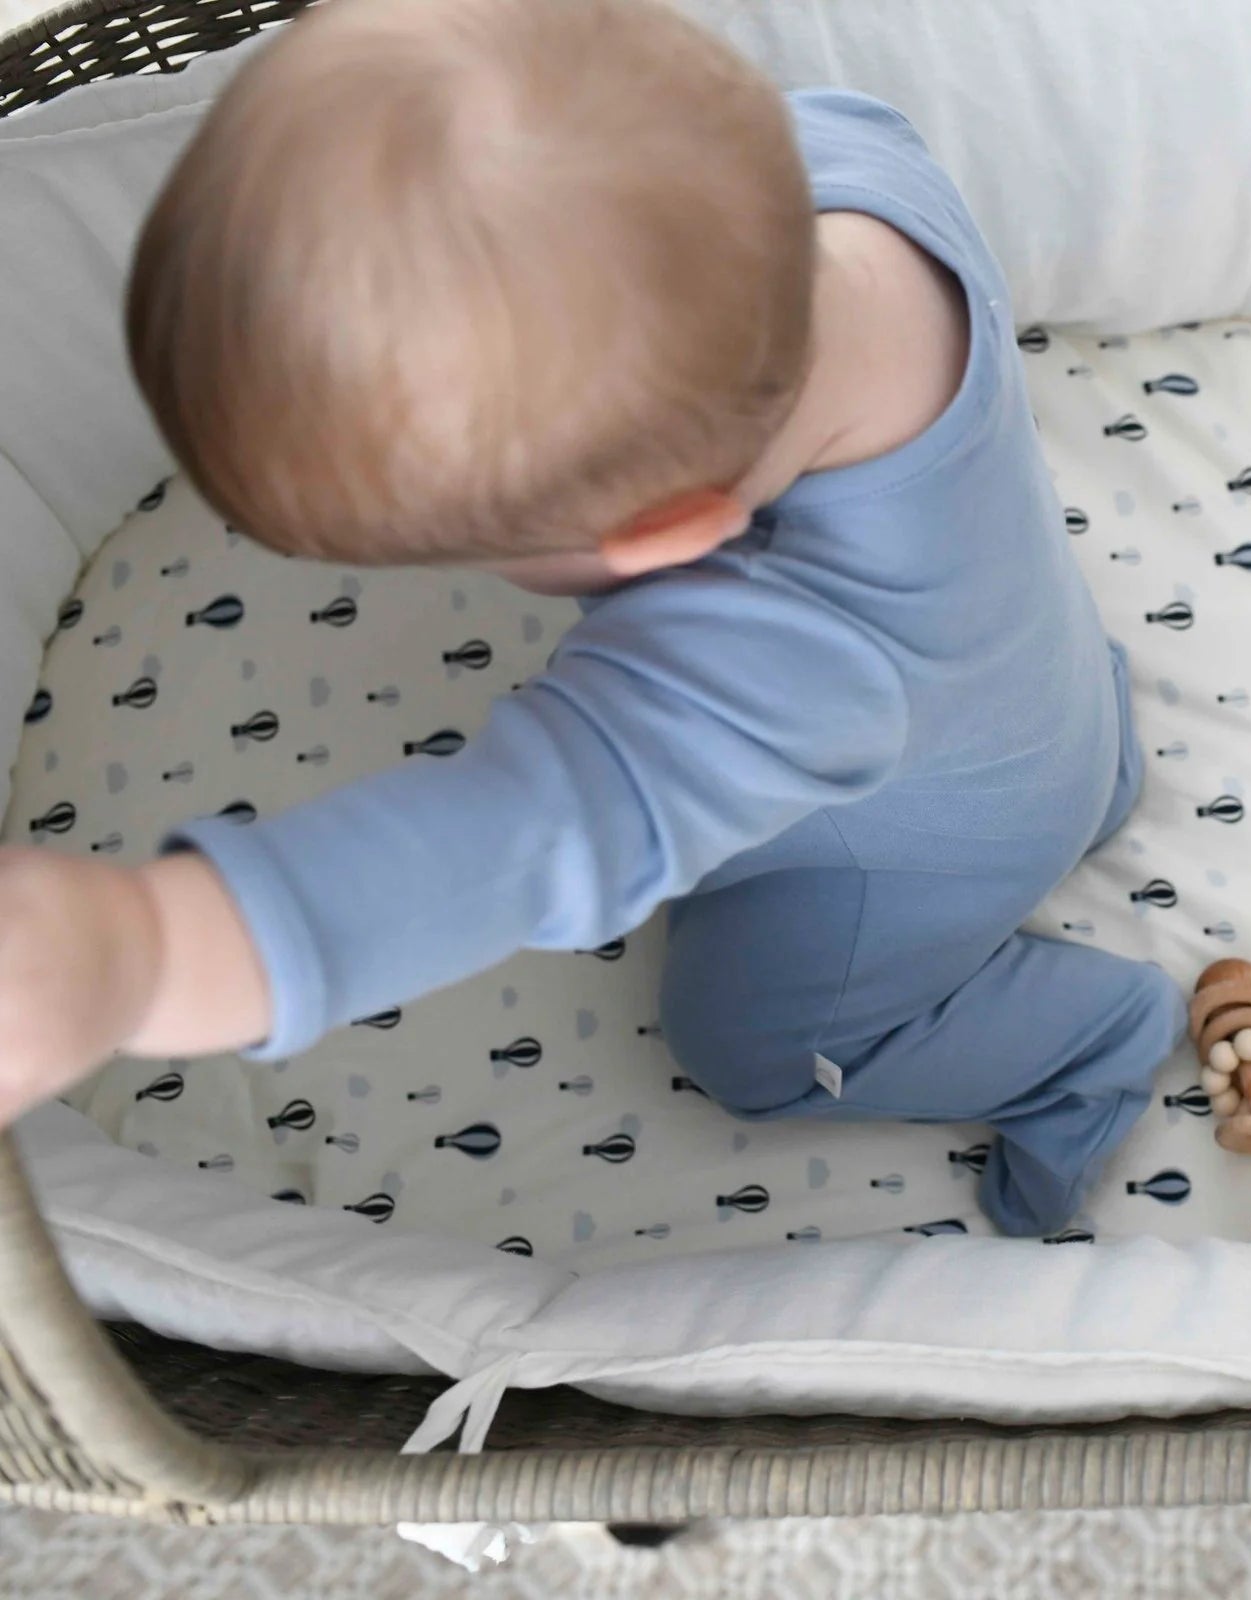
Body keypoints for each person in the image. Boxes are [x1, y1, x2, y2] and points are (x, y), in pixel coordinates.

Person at [0, 0, 1185, 1235]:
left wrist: (134, 945)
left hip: (915, 861)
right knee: (1018, 730)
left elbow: (508, 840)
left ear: (665, 535)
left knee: (748, 1044)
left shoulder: (776, 662)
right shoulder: (847, 165)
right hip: (1043, 690)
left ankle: (1085, 1040)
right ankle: (1093, 785)